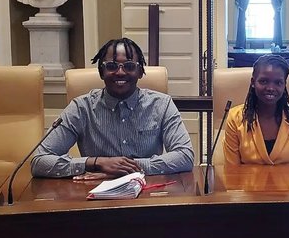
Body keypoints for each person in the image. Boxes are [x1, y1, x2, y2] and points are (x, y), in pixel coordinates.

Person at [31, 38, 194, 179]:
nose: (120, 72)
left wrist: (128, 167)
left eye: (129, 66)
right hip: (95, 197)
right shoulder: (81, 108)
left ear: (140, 72)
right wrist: (97, 163)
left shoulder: (162, 105)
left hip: (146, 194)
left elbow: (185, 156)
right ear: (102, 72)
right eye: (111, 66)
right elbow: (39, 161)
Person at [223, 54, 289, 165]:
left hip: (288, 182)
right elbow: (232, 171)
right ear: (253, 82)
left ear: (284, 85)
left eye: (278, 83)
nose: (270, 88)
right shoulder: (235, 118)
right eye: (264, 81)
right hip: (247, 182)